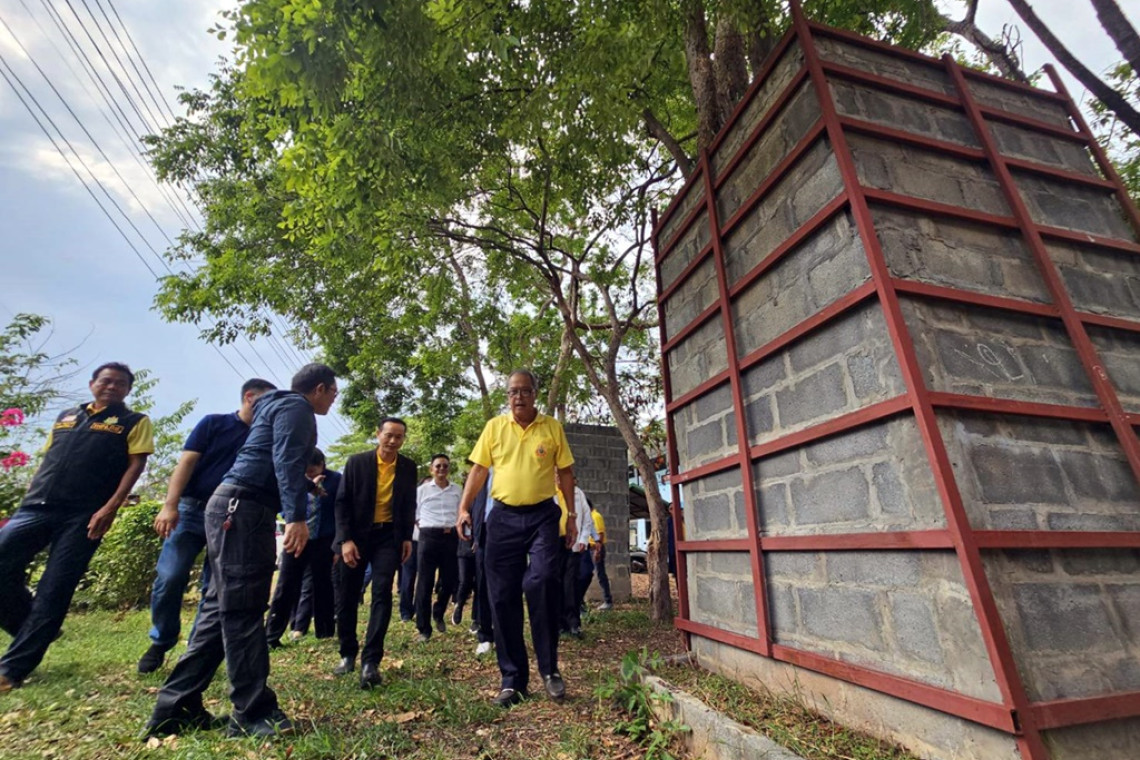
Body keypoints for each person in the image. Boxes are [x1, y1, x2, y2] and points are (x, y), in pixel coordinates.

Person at [142, 363, 338, 739]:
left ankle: (176, 707)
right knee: (244, 608)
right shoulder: (297, 407)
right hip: (242, 511)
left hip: (235, 506)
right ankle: (252, 711)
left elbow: (270, 457)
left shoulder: (275, 406)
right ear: (319, 388)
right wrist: (296, 517)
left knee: (220, 609)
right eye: (333, 393)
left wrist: (305, 487)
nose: (333, 400)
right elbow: (284, 457)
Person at [0, 363, 153, 691]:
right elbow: (47, 459)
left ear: (128, 390)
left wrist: (110, 508)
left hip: (84, 515)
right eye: (106, 381)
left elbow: (136, 465)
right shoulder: (66, 417)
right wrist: (28, 496)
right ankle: (32, 626)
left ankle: (12, 669)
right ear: (92, 383)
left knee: (55, 588)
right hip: (36, 506)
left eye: (120, 383)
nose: (111, 387)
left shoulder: (133, 421)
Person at [138, 378, 277, 674]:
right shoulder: (214, 424)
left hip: (233, 518)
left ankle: (194, 650)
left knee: (214, 588)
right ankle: (161, 639)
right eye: (267, 401)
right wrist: (170, 505)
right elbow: (186, 463)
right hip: (192, 510)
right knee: (170, 576)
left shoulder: (267, 436)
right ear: (249, 397)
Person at [456, 369, 576, 707]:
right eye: (512, 392)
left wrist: (572, 516)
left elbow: (566, 472)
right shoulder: (495, 427)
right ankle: (513, 680)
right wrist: (463, 508)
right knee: (502, 596)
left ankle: (549, 669)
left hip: (543, 516)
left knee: (543, 580)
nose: (518, 397)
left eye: (524, 391)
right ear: (507, 396)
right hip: (503, 518)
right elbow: (479, 470)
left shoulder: (551, 427)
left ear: (535, 394)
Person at [332, 417, 416, 689]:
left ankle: (371, 661)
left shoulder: (408, 467)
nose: (393, 441)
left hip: (388, 537)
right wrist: (345, 540)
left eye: (398, 437)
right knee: (348, 594)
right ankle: (347, 653)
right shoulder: (357, 462)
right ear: (378, 434)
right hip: (356, 537)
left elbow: (409, 505)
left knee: (382, 592)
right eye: (388, 435)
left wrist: (406, 537)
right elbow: (342, 502)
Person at [264, 448, 341, 647]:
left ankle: (325, 631)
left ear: (322, 465)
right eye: (306, 471)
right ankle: (272, 635)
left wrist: (338, 544)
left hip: (324, 539)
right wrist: (309, 490)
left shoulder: (336, 480)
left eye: (313, 470)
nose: (309, 474)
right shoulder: (295, 480)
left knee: (323, 584)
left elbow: (341, 511)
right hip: (297, 538)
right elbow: (284, 507)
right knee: (287, 584)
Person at [413, 454, 461, 642]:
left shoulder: (457, 489)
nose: (441, 469)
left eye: (445, 466)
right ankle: (424, 628)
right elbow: (415, 514)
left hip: (450, 537)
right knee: (424, 584)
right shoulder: (422, 490)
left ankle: (438, 611)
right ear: (431, 469)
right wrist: (426, 529)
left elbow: (461, 512)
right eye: (438, 466)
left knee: (449, 581)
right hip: (428, 537)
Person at [559, 484, 598, 639]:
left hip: (574, 546)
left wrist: (583, 539)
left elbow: (587, 519)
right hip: (554, 546)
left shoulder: (577, 493)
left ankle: (573, 622)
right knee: (559, 585)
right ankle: (562, 624)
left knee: (576, 582)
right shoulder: (549, 490)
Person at [470, 474, 494, 656]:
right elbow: (473, 503)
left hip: (511, 527)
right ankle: (485, 636)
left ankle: (506, 635)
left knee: (508, 585)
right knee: (483, 585)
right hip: (484, 531)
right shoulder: (482, 472)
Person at [588, 499, 614, 610]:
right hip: (590, 548)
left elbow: (600, 534)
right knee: (586, 574)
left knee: (600, 574)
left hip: (596, 549)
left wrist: (597, 551)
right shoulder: (590, 516)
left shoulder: (596, 516)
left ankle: (608, 601)